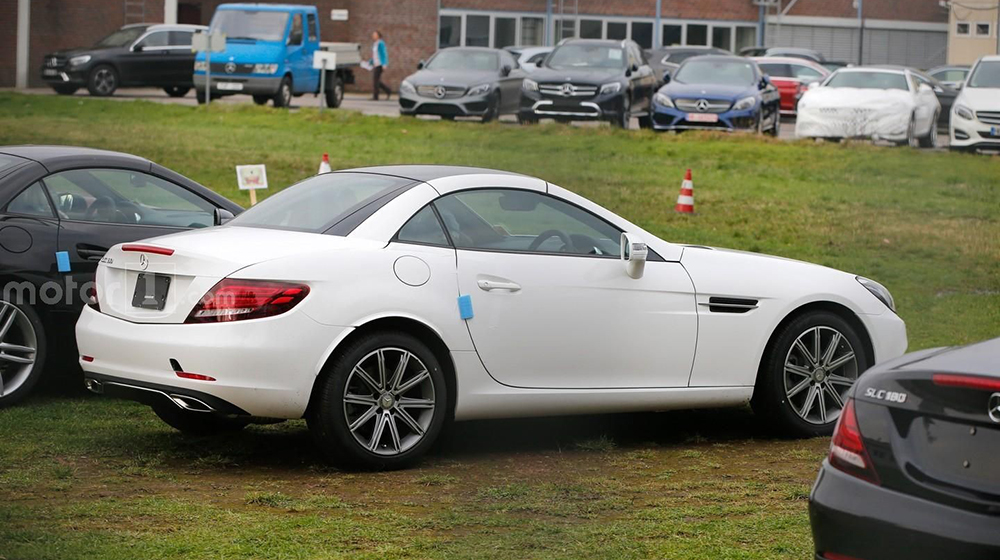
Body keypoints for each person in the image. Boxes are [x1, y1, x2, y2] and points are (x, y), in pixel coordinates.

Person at [369, 31, 391, 100]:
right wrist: (370, 62)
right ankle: (388, 91)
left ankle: (376, 97)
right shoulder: (374, 44)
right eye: (373, 35)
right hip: (375, 64)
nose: (373, 36)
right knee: (377, 81)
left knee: (375, 80)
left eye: (375, 35)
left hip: (380, 64)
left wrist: (384, 64)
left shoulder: (381, 43)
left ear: (378, 36)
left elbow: (384, 54)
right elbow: (374, 55)